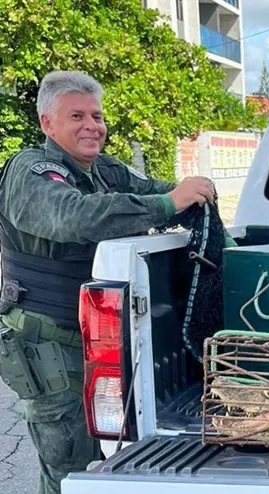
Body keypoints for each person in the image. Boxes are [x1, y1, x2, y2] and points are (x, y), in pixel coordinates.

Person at [0, 70, 224, 494]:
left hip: (101, 346)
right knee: (71, 469)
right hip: (49, 349)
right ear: (47, 123)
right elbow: (74, 217)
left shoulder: (103, 170)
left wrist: (190, 195)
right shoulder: (30, 171)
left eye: (97, 116)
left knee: (112, 462)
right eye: (77, 117)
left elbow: (158, 193)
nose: (92, 126)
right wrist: (167, 202)